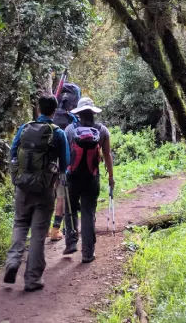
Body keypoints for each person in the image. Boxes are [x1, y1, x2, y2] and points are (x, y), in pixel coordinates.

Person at [4, 93, 70, 292]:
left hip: (23, 187)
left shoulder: (25, 128)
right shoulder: (57, 133)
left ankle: (12, 263)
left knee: (20, 224)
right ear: (54, 110)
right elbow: (65, 163)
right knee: (38, 234)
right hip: (44, 189)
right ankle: (32, 279)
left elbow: (13, 152)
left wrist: (19, 175)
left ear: (39, 109)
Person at [63, 97, 115, 263]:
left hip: (72, 177)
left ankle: (71, 241)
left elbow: (64, 155)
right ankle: (87, 253)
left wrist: (60, 174)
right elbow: (107, 155)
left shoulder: (69, 129)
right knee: (88, 212)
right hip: (92, 178)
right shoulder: (102, 130)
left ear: (78, 113)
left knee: (70, 209)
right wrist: (111, 177)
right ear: (93, 112)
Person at [49, 82, 80, 242]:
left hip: (46, 164)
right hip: (62, 164)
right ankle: (55, 230)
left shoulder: (51, 116)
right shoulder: (71, 119)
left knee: (48, 196)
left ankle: (43, 228)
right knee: (61, 196)